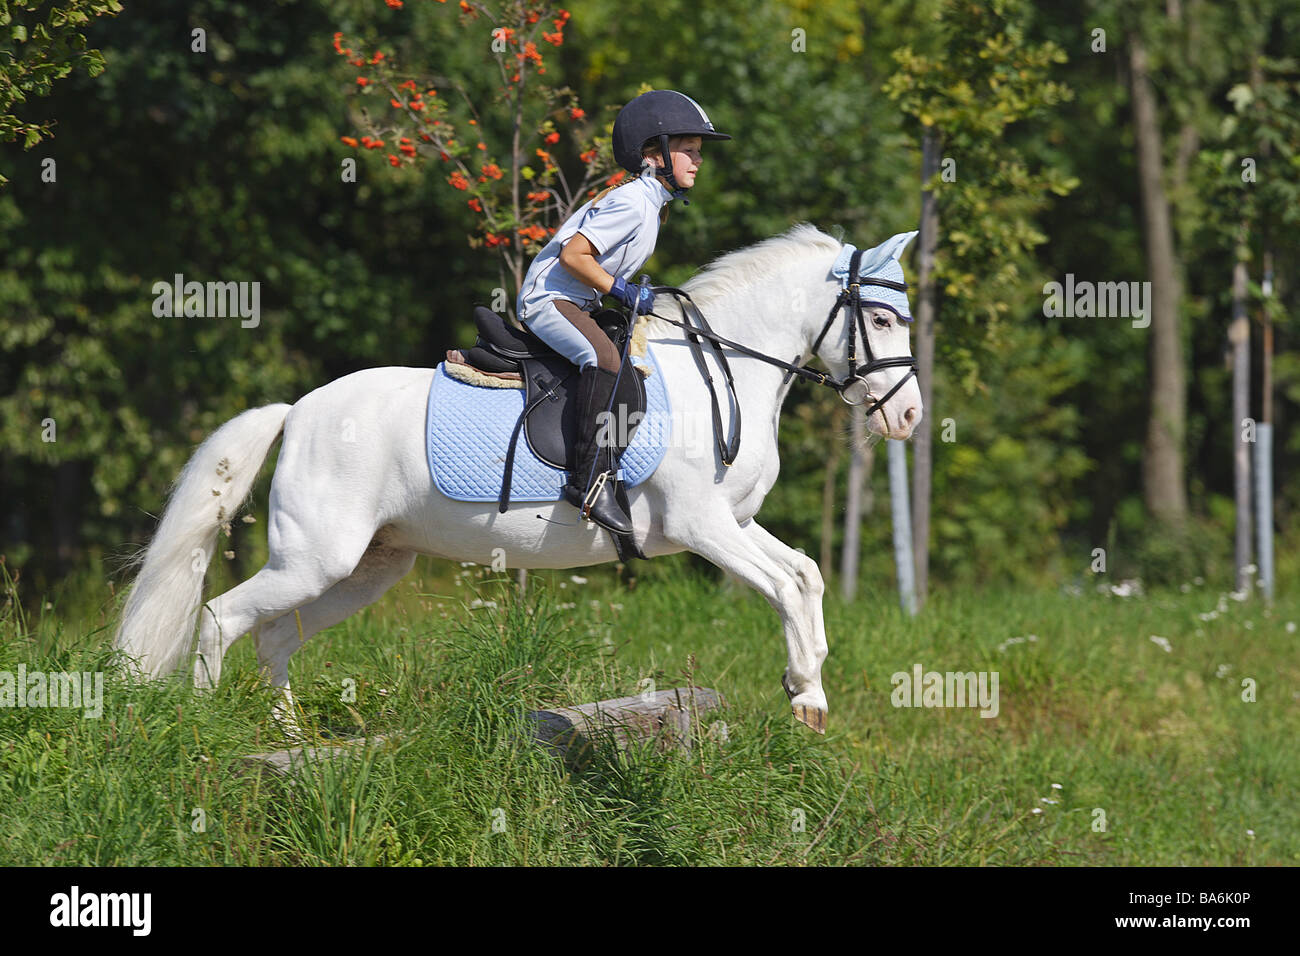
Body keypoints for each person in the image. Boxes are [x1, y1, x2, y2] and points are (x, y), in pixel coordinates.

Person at [516, 90, 729, 534]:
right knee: (604, 360)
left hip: (578, 302)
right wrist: (623, 291)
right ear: (653, 154)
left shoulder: (651, 203)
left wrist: (623, 292)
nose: (698, 160)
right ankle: (588, 483)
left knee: (631, 366)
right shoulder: (634, 202)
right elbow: (574, 257)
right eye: (688, 150)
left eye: (699, 152)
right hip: (548, 301)